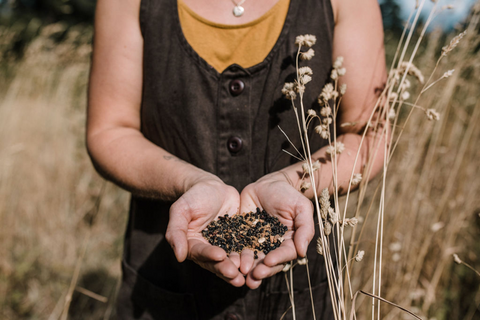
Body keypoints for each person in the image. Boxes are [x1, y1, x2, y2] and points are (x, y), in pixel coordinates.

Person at [86, 0, 386, 318]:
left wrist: (292, 182)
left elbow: (369, 135)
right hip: (165, 286)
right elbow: (110, 130)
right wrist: (190, 182)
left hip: (302, 292)